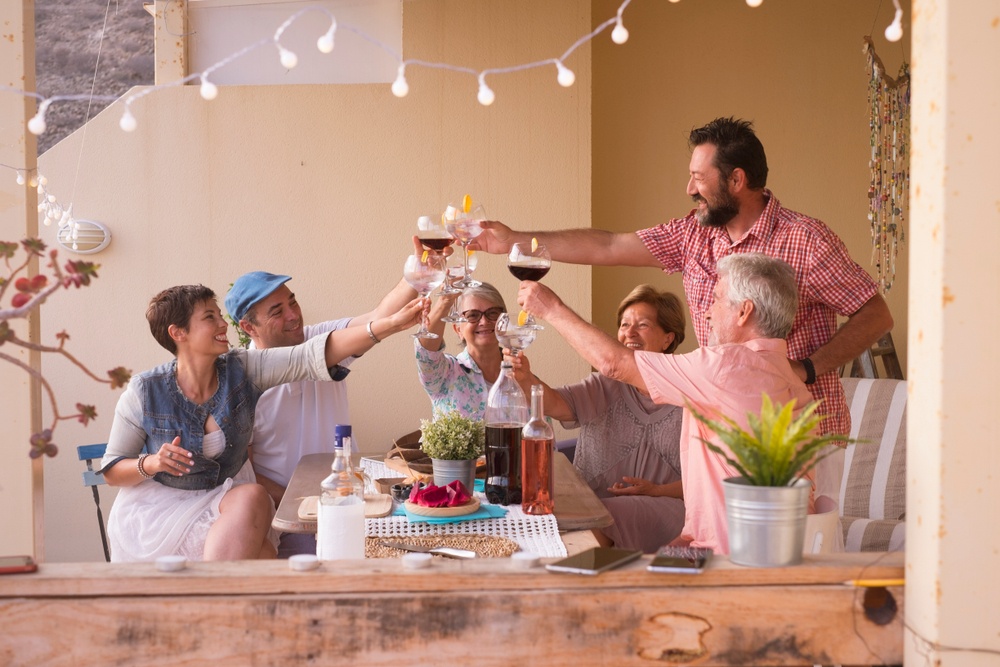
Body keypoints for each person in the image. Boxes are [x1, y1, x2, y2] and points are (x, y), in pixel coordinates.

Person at [472, 116, 893, 441]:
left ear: (736, 180)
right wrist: (515, 239)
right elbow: (609, 247)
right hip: (720, 433)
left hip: (797, 438)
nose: (688, 187)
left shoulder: (806, 240)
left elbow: (876, 316)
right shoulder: (693, 232)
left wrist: (808, 368)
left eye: (698, 177)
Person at [515, 253, 814, 554]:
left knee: (551, 549)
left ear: (744, 312)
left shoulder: (725, 366)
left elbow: (614, 362)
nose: (708, 313)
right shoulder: (790, 380)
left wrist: (550, 308)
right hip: (774, 551)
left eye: (717, 299)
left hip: (728, 560)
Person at [100, 284, 422, 562]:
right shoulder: (144, 390)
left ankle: (217, 604)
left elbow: (308, 356)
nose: (222, 324)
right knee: (267, 559)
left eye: (219, 314)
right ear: (178, 333)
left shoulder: (243, 368)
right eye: (209, 317)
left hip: (223, 499)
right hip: (160, 512)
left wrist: (388, 326)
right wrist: (153, 462)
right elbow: (113, 469)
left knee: (252, 496)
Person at [226, 245, 422, 557]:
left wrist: (419, 272)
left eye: (293, 302)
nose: (293, 316)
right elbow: (245, 469)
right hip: (290, 521)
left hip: (354, 502)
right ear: (248, 327)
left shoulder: (320, 339)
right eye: (277, 311)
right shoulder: (239, 382)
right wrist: (303, 502)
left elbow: (377, 317)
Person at [505, 284, 687, 553]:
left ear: (668, 339)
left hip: (665, 509)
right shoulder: (606, 384)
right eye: (624, 325)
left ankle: (565, 577)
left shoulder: (690, 393)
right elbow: (557, 404)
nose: (629, 333)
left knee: (606, 514)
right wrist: (526, 378)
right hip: (592, 508)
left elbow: (711, 479)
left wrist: (656, 491)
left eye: (643, 325)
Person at [415, 282, 507, 420]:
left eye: (493, 313)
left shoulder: (521, 374)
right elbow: (425, 353)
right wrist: (445, 302)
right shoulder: (445, 373)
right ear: (458, 329)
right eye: (473, 315)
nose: (484, 322)